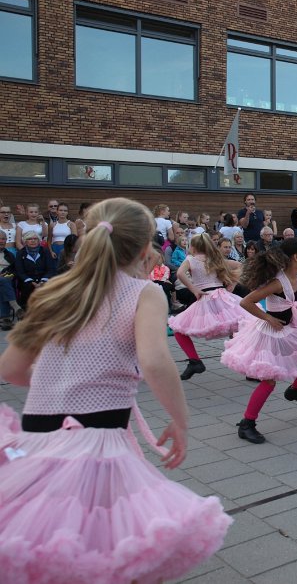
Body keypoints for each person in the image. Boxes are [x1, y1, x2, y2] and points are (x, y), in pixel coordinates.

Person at [0, 197, 231, 582]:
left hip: (37, 437)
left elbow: (11, 369)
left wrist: (57, 382)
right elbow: (155, 360)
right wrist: (179, 420)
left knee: (51, 546)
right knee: (123, 556)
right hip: (98, 442)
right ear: (144, 250)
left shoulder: (54, 290)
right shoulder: (144, 292)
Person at [222, 238, 297, 444]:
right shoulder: (278, 282)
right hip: (272, 334)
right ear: (295, 257)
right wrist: (268, 317)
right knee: (269, 380)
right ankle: (247, 423)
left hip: (291, 329)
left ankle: (296, 389)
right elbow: (246, 301)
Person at [167, 233, 246, 380]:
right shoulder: (216, 259)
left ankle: (195, 360)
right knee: (236, 326)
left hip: (206, 298)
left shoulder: (191, 259)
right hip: (222, 296)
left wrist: (194, 289)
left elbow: (179, 273)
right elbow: (240, 265)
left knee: (178, 329)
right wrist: (233, 283)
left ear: (194, 247)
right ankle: (246, 363)